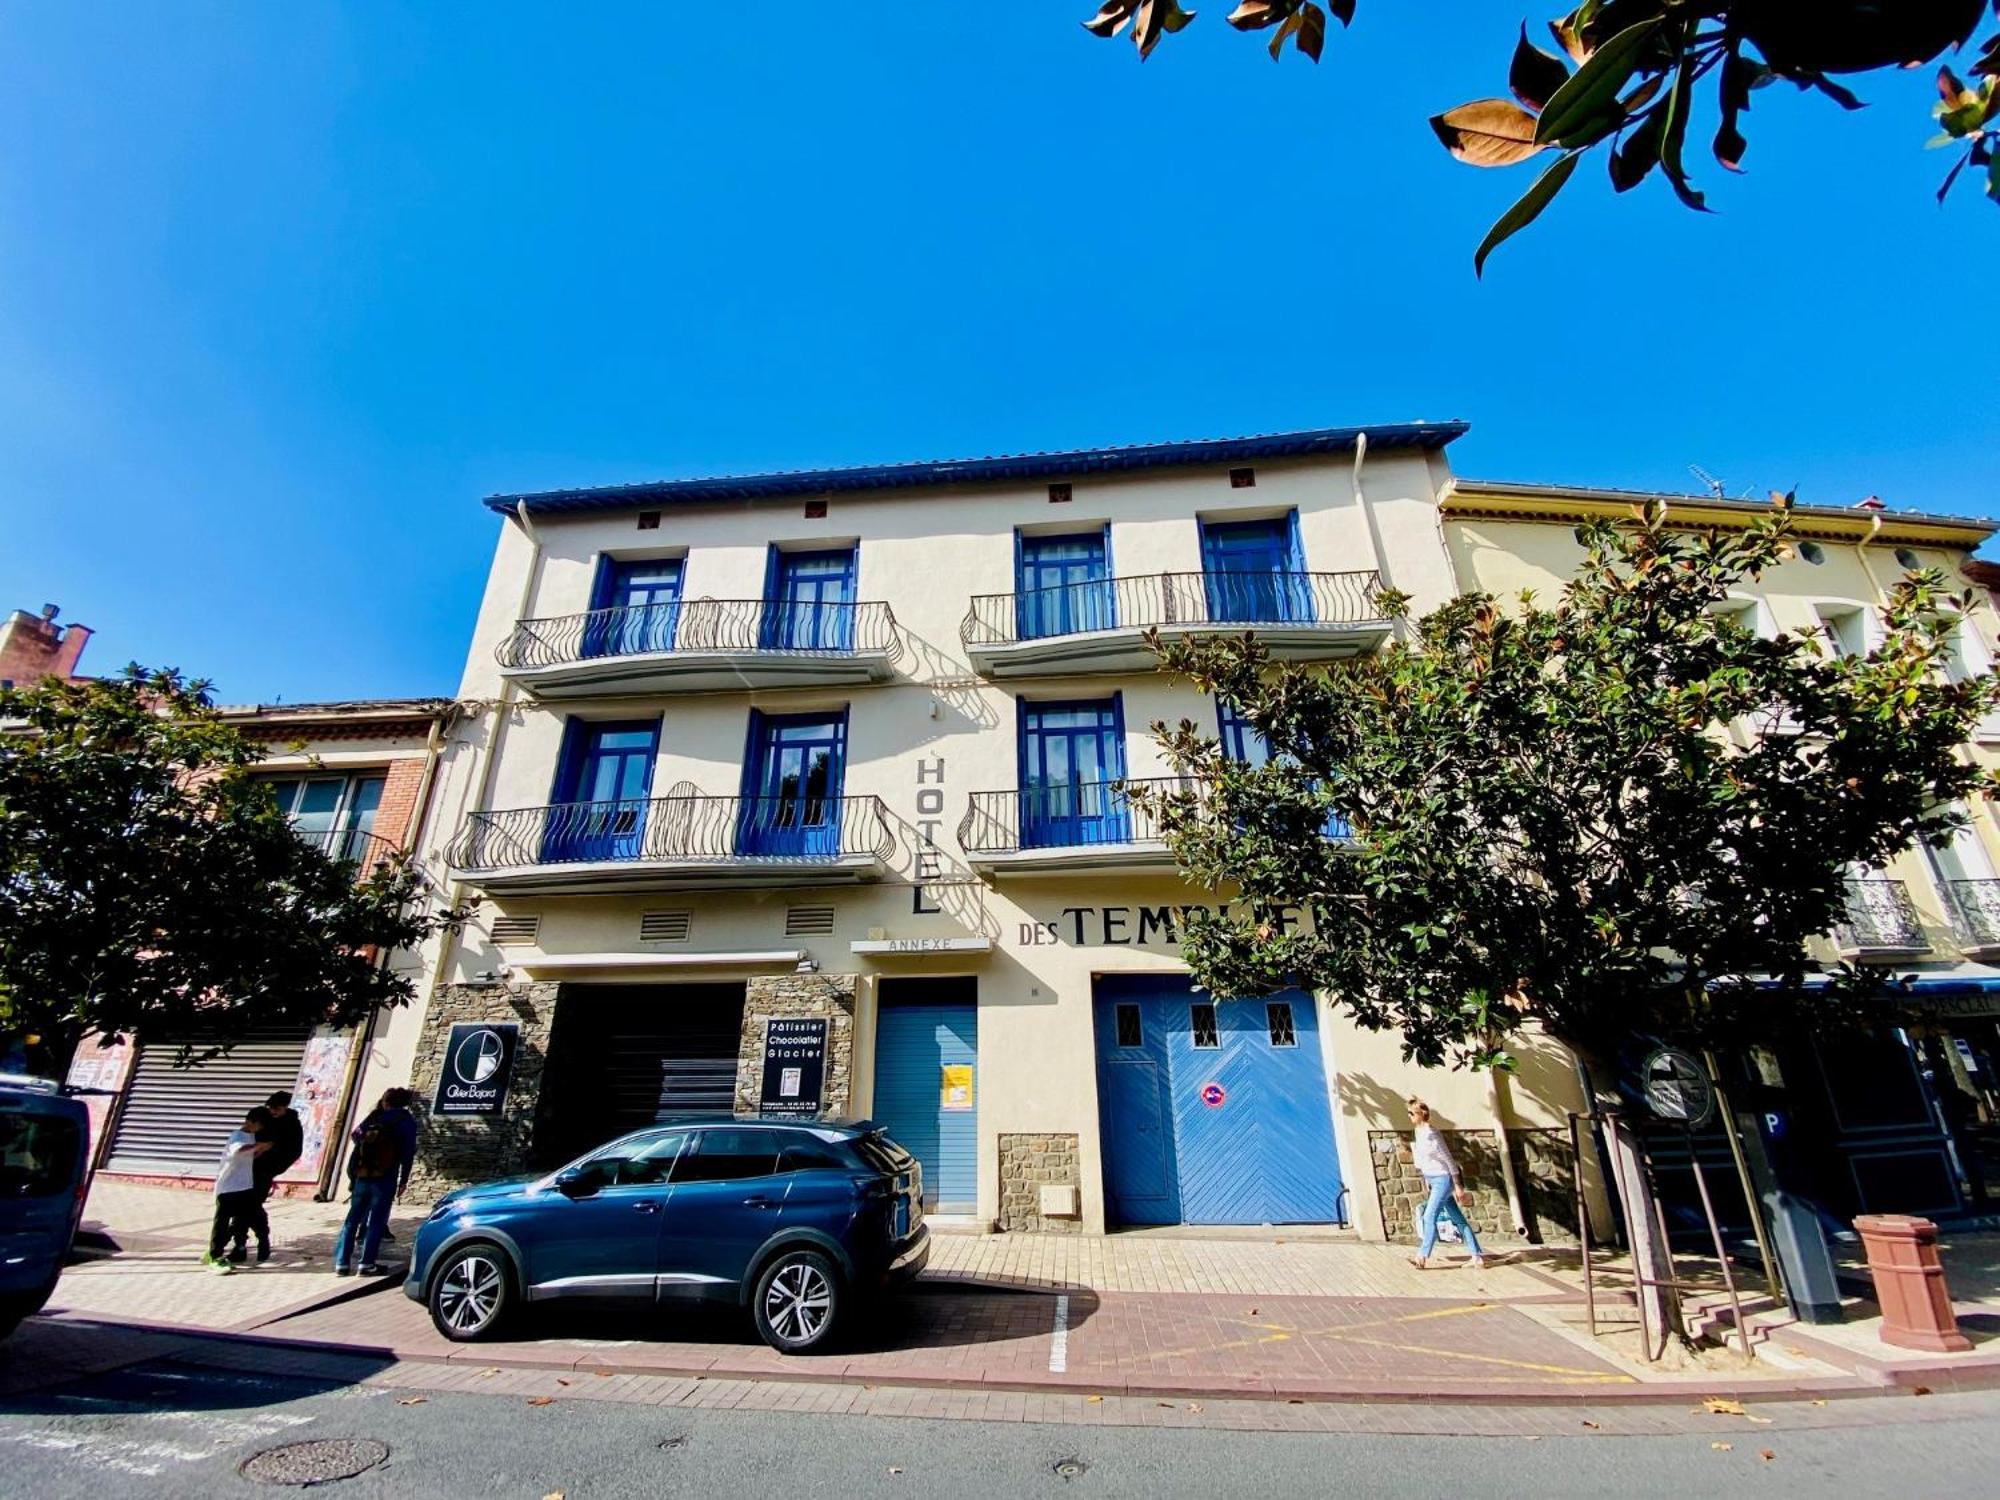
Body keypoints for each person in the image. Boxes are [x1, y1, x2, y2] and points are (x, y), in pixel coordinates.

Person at [1405, 1097, 1486, 1272]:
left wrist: (1457, 1185)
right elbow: (1424, 1160)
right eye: (1408, 1112)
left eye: (1412, 1113)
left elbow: (1449, 1160)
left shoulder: (1432, 1134)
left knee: (1429, 1216)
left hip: (1443, 1179)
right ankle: (1476, 1256)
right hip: (1433, 1179)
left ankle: (1422, 1256)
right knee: (1457, 1218)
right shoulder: (1418, 1132)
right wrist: (1427, 1180)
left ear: (1421, 1114)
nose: (1409, 1115)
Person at [231, 1089, 305, 1264]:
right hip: (246, 1171)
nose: (273, 1112)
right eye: (271, 1108)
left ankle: (262, 1239)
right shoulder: (265, 1118)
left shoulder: (292, 1126)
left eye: (276, 1109)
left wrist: (272, 1165)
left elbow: (293, 1152)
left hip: (264, 1173)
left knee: (253, 1207)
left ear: (285, 1107)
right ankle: (239, 1245)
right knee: (241, 1209)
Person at [333, 1095, 403, 1276]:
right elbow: (408, 1151)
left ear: (385, 1103)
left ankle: (341, 1263)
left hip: (363, 1176)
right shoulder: (404, 1120)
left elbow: (355, 1135)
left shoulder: (373, 1118)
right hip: (384, 1177)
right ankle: (366, 1264)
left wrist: (365, 1148)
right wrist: (403, 1179)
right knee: (376, 1222)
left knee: (351, 1221)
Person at [203, 1107, 270, 1274]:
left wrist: (259, 1150)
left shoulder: (252, 1136)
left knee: (245, 1218)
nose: (259, 1129)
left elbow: (247, 1158)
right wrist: (257, 1146)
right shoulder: (237, 1135)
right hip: (228, 1187)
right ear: (250, 1122)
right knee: (221, 1223)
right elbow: (238, 1150)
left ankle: (220, 1250)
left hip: (244, 1186)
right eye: (258, 1125)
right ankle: (214, 1256)